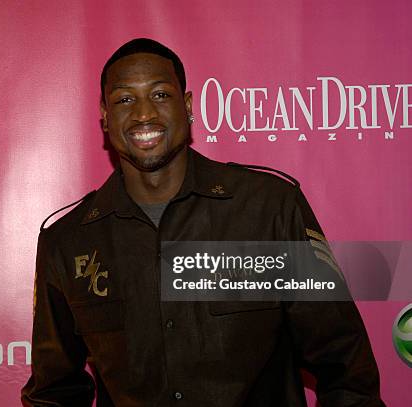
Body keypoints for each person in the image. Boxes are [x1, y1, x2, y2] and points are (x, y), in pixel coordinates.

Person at [21, 38, 384, 406]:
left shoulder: (268, 209)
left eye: (160, 95)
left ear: (188, 106)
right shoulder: (67, 242)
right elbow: (54, 393)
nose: (144, 114)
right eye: (124, 99)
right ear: (104, 114)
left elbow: (346, 368)